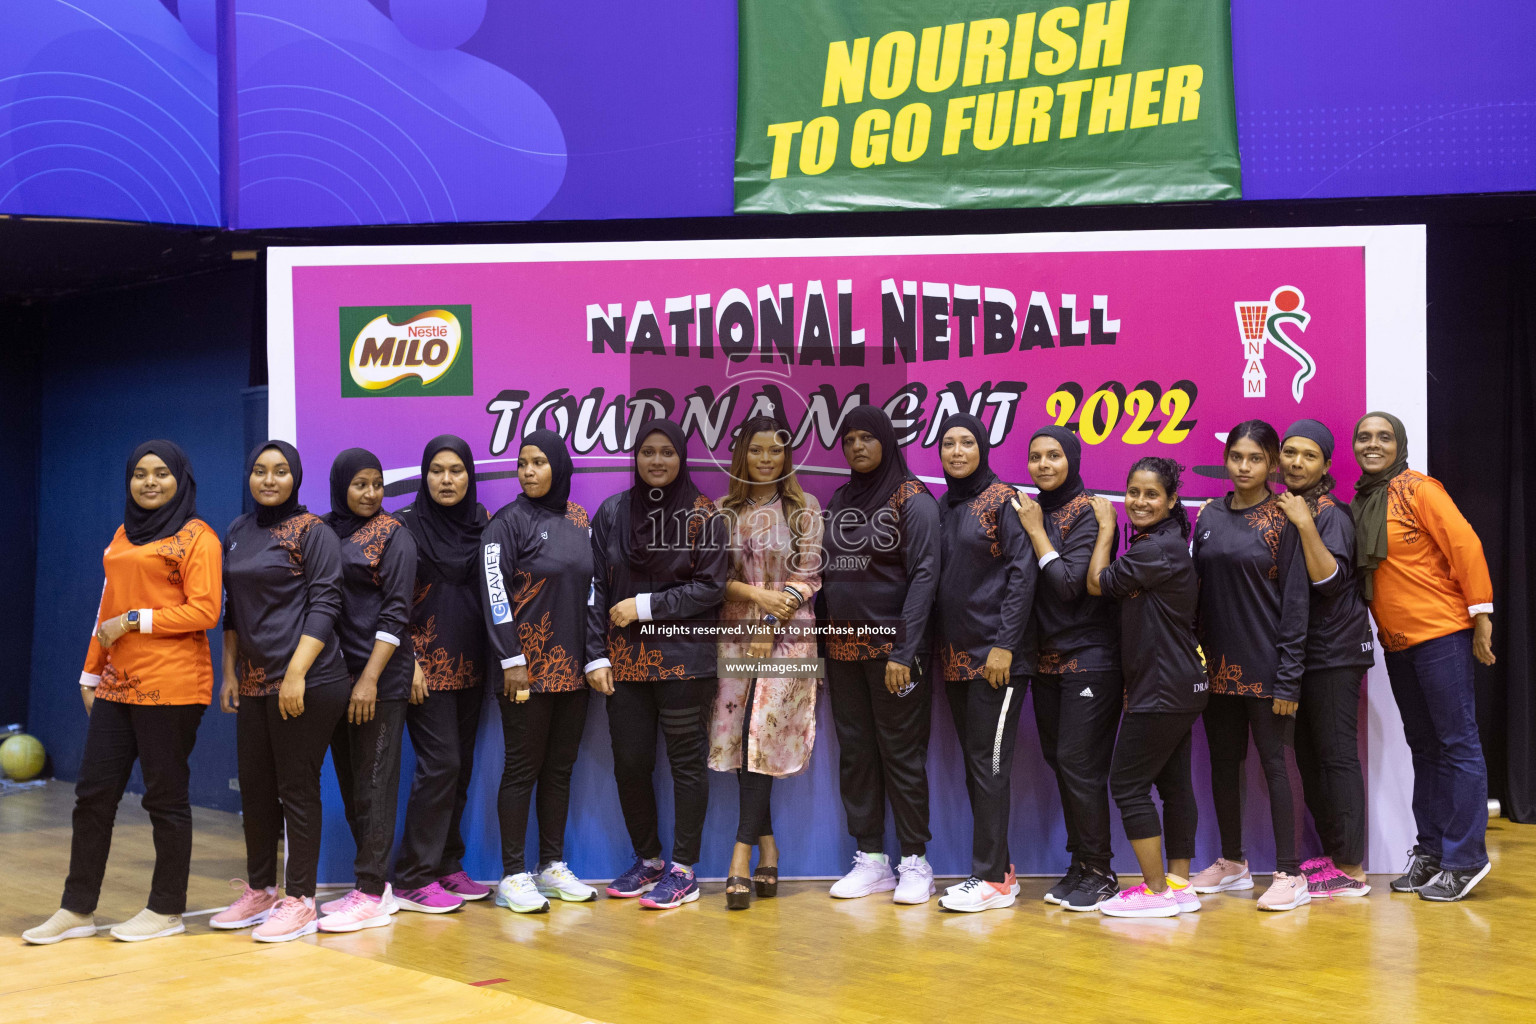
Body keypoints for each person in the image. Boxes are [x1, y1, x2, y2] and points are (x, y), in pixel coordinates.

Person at [24, 442, 221, 945]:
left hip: (174, 687)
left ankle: (166, 909)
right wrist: (90, 674)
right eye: (139, 473)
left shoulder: (199, 537)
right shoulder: (122, 533)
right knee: (92, 797)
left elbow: (204, 611)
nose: (149, 482)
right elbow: (105, 609)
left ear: (181, 478)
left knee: (165, 799)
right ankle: (77, 909)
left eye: (160, 473)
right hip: (118, 685)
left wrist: (137, 620)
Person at [586, 419, 729, 910]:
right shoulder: (612, 512)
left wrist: (643, 606)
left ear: (681, 457)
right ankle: (648, 861)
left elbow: (711, 587)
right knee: (630, 763)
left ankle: (684, 870)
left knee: (686, 766)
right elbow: (596, 590)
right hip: (624, 664)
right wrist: (596, 654)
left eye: (667, 452)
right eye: (647, 451)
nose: (657, 461)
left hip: (685, 663)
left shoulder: (703, 513)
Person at [1352, 412, 1495, 902]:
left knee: (1458, 745)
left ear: (1400, 444)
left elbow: (1465, 544)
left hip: (1441, 635)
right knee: (1427, 749)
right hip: (1398, 644)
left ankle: (1466, 859)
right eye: (1365, 437)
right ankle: (1431, 853)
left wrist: (1481, 617)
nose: (1373, 444)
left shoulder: (1418, 489)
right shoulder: (1363, 498)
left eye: (1384, 437)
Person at [212, 441, 351, 942]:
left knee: (296, 788)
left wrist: (296, 673)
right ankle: (260, 891)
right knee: (255, 791)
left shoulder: (313, 532)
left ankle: (300, 900)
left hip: (308, 681)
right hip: (252, 683)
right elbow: (233, 609)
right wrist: (229, 673)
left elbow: (325, 603)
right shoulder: (238, 531)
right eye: (259, 471)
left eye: (280, 471)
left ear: (295, 477)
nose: (269, 480)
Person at [820, 406, 941, 905]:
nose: (857, 447)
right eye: (849, 439)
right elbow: (827, 575)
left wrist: (904, 650)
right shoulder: (842, 498)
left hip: (895, 652)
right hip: (843, 651)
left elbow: (925, 577)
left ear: (887, 442)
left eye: (867, 437)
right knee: (857, 755)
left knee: (902, 756)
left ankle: (915, 861)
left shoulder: (913, 500)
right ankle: (872, 859)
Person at [1189, 420, 1311, 912]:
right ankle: (1234, 864)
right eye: (1237, 456)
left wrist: (1289, 675)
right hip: (1217, 669)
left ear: (1272, 464)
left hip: (1269, 668)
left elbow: (1297, 602)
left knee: (1277, 768)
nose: (1244, 466)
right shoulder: (1210, 514)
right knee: (1224, 764)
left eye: (1255, 458)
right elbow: (1194, 592)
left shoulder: (1285, 518)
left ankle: (1290, 874)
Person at [481, 430, 600, 914]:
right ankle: (513, 874)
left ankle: (551, 867)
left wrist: (595, 656)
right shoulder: (505, 525)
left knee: (559, 771)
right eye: (522, 463)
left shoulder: (578, 519)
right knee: (521, 770)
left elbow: (594, 590)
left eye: (538, 463)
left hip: (573, 673)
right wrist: (511, 660)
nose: (529, 471)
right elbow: (494, 595)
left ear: (558, 467)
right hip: (525, 673)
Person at [710, 416, 823, 910]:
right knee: (741, 741)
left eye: (775, 451)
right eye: (756, 450)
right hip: (735, 636)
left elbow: (810, 574)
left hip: (791, 641)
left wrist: (769, 623)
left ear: (786, 456)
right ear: (741, 454)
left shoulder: (805, 508)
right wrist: (754, 599)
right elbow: (715, 578)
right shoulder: (721, 511)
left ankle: (738, 859)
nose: (765, 459)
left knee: (765, 736)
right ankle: (769, 848)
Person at [1090, 458, 1208, 918]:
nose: (1139, 501)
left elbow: (1098, 584)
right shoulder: (1164, 543)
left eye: (1151, 494)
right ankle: (1178, 884)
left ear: (1171, 500)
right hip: (1179, 684)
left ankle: (1155, 891)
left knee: (1127, 783)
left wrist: (1105, 529)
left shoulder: (1155, 549)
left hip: (1164, 687)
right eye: (1132, 492)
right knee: (1175, 783)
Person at [1013, 425, 1125, 911]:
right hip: (1046, 662)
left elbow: (1067, 586)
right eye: (1036, 456)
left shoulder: (1091, 512)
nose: (1043, 465)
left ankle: (1101, 870)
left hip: (1091, 658)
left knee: (1081, 765)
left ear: (1072, 459)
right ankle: (1081, 863)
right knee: (1062, 762)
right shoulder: (1032, 508)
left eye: (1054, 455)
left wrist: (1037, 532)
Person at [930, 414, 1036, 913]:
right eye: (948, 443)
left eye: (966, 442)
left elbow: (1023, 574)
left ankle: (990, 878)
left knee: (990, 767)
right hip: (955, 659)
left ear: (983, 447)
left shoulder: (1004, 501)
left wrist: (1005, 646)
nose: (956, 451)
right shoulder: (946, 505)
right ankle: (1002, 872)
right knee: (978, 768)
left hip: (997, 661)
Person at [316, 449, 418, 932]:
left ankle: (371, 890)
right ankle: (375, 889)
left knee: (376, 786)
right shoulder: (320, 531)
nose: (371, 493)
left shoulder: (395, 536)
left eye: (377, 483)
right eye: (360, 484)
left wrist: (370, 680)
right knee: (354, 785)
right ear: (341, 485)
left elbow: (397, 612)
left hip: (378, 680)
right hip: (333, 678)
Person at [393, 435, 494, 911]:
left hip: (473, 664)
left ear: (470, 475)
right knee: (441, 765)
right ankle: (413, 876)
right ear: (424, 475)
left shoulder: (483, 523)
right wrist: (407, 660)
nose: (446, 479)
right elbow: (387, 602)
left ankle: (447, 865)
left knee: (461, 770)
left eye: (456, 470)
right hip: (423, 668)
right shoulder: (403, 527)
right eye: (436, 470)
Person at [1275, 421, 1375, 898]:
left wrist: (1304, 523)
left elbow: (1329, 581)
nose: (1296, 462)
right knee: (1313, 758)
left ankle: (1352, 868)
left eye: (1309, 456)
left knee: (1336, 757)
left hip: (1335, 652)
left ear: (1327, 465)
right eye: (1290, 453)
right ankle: (1335, 857)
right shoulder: (1294, 506)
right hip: (1305, 653)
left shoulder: (1328, 513)